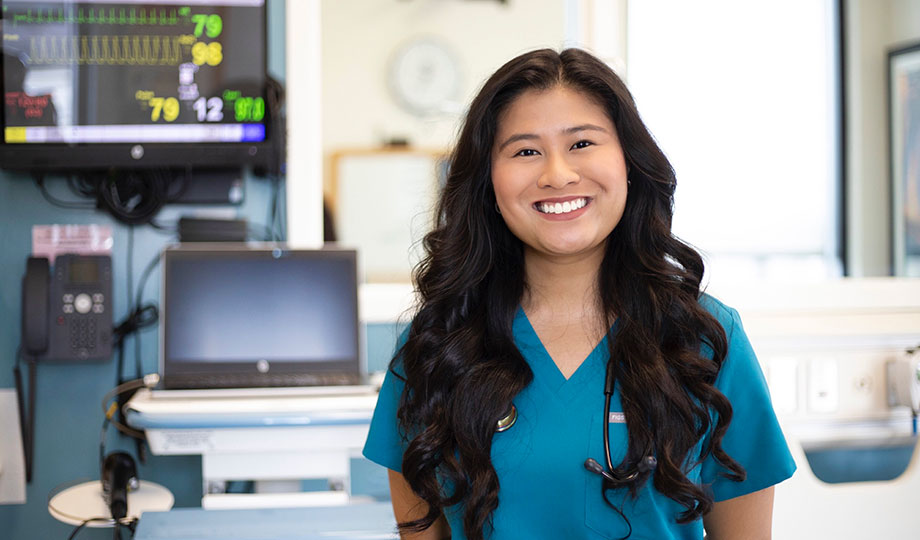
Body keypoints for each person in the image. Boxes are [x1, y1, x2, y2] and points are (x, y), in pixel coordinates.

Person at [363, 48, 795, 540]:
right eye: (525, 151)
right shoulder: (438, 344)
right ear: (488, 181)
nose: (557, 174)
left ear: (628, 161)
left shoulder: (703, 340)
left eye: (583, 143)